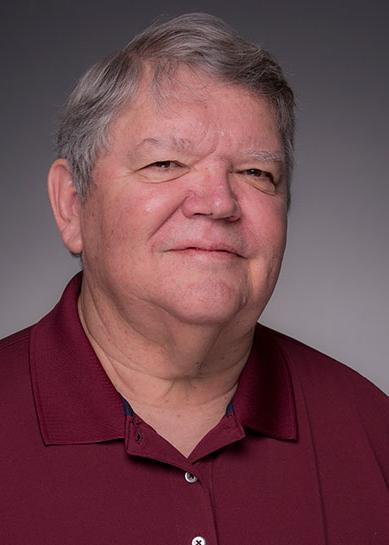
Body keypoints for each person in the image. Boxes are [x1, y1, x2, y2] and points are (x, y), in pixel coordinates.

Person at [1, 12, 388, 545]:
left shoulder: (373, 431)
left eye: (256, 173)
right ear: (73, 206)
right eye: (166, 163)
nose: (219, 202)